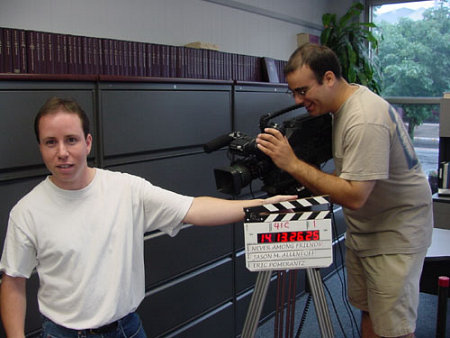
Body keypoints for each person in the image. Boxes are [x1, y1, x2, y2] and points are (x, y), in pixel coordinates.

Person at [0, 97, 296, 338]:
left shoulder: (125, 189)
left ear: (88, 142)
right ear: (40, 147)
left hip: (126, 330)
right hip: (62, 334)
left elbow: (193, 208)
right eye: (51, 142)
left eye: (71, 140)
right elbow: (13, 283)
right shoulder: (27, 212)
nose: (62, 152)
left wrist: (262, 205)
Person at [256, 43, 433, 338]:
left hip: (394, 233)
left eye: (303, 90)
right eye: (293, 92)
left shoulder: (363, 118)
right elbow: (349, 174)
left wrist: (292, 164)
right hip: (368, 228)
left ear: (328, 78)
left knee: (394, 329)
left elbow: (354, 196)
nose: (299, 100)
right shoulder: (341, 108)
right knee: (371, 313)